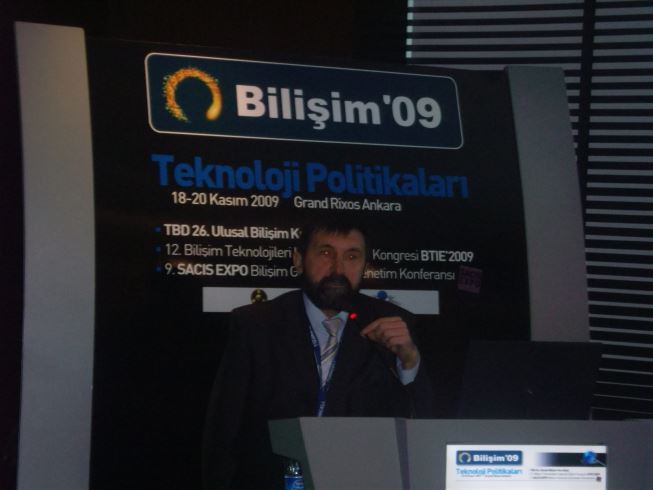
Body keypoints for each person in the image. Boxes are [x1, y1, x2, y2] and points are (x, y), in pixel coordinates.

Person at [202, 219, 432, 490]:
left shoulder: (393, 323)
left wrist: (409, 361)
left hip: (360, 480)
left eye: (352, 257)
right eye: (325, 253)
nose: (338, 269)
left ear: (365, 265)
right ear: (298, 260)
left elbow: (424, 422)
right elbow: (224, 428)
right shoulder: (256, 324)